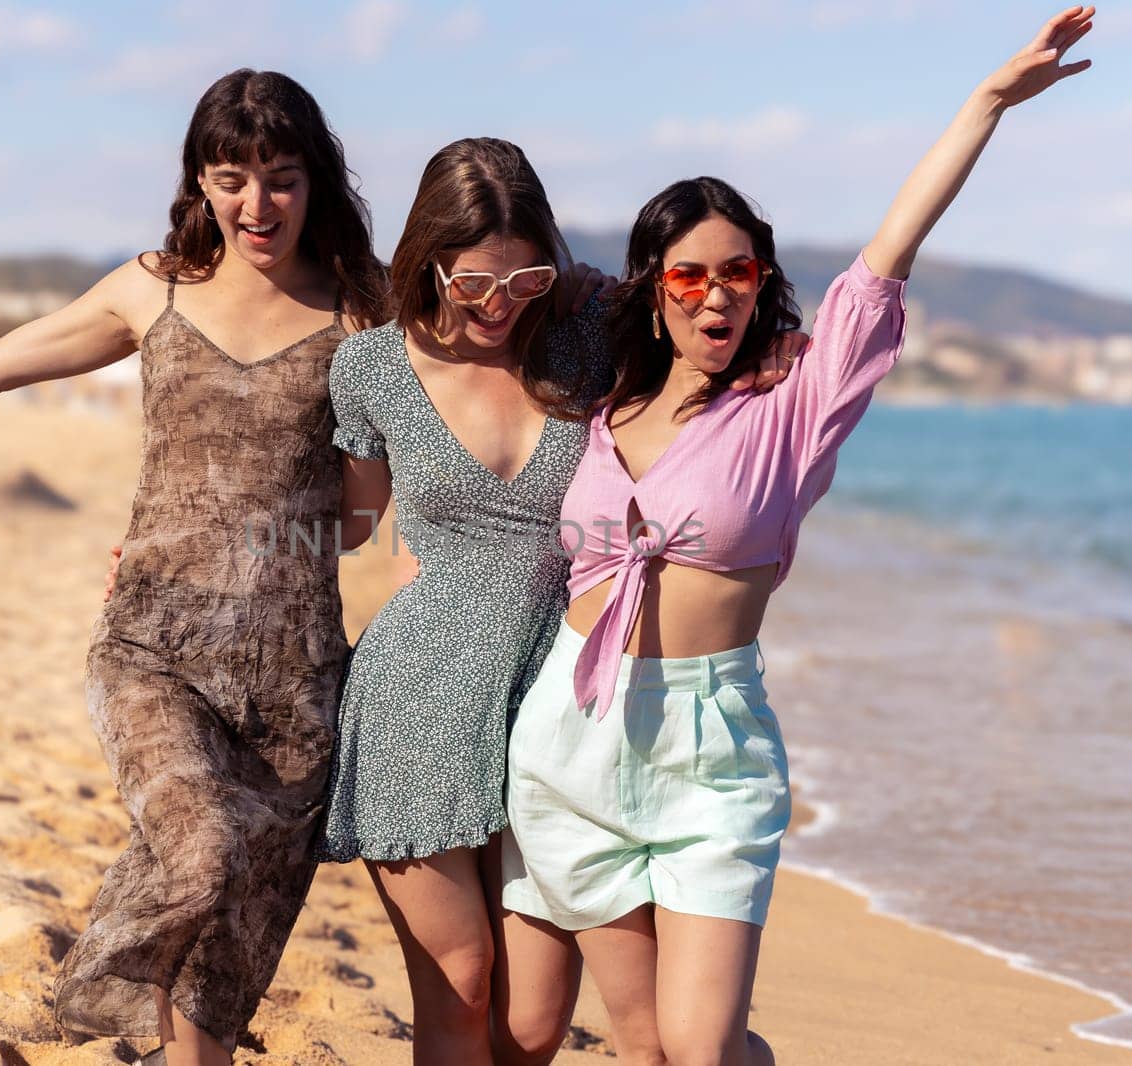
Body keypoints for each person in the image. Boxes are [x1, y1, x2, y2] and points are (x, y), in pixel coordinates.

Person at [0, 68, 390, 1066]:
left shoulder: (359, 314)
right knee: (196, 854)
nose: (256, 205)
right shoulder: (152, 289)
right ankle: (91, 995)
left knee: (220, 977)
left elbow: (362, 514)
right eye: (231, 177)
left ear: (317, 181)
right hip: (153, 651)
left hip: (293, 679)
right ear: (199, 182)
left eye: (282, 177)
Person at [499, 8, 1096, 1064]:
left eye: (740, 273)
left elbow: (881, 266)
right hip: (574, 734)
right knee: (644, 1047)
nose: (717, 294)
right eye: (689, 276)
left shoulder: (790, 411)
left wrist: (985, 106)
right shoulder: (595, 409)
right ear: (650, 295)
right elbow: (475, 314)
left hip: (710, 747)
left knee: (699, 1044)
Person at [318, 137, 804, 1065]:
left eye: (525, 279)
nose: (501, 306)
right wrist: (194, 543)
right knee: (460, 980)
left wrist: (777, 341)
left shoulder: (583, 342)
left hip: (561, 701)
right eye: (473, 286)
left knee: (532, 1025)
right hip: (420, 698)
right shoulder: (372, 369)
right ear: (427, 263)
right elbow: (348, 524)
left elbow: (693, 302)